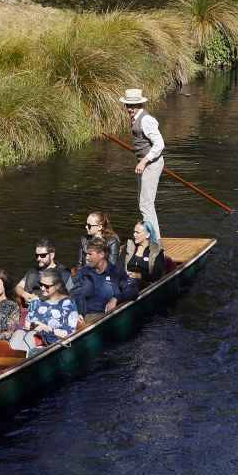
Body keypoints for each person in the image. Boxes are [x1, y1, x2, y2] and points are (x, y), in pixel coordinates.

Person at [123, 88, 166, 249]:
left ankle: (154, 241)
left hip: (151, 164)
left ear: (140, 104)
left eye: (132, 105)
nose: (129, 108)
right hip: (145, 163)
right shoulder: (136, 118)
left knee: (146, 205)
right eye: (127, 105)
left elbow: (160, 144)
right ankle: (154, 238)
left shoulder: (146, 120)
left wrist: (144, 161)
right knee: (145, 204)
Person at [12, 268, 80, 353]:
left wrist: (46, 328)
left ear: (57, 286)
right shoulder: (36, 301)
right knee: (18, 334)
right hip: (30, 338)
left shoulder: (67, 304)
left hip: (51, 345)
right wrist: (29, 325)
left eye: (46, 286)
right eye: (41, 284)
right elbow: (28, 323)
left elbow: (70, 333)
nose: (42, 288)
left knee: (28, 340)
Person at [69, 241, 131, 316]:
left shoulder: (116, 272)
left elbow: (132, 290)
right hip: (84, 316)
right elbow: (74, 294)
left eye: (90, 254)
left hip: (107, 316)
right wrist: (78, 314)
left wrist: (116, 298)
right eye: (86, 254)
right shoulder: (83, 272)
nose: (87, 258)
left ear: (102, 254)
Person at [16, 240, 63, 306]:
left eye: (42, 255)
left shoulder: (63, 273)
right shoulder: (33, 271)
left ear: (52, 255)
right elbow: (18, 287)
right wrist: (24, 294)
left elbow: (69, 296)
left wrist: (37, 298)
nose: (38, 258)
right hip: (28, 307)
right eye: (37, 255)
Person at [124, 218, 162, 287]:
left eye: (137, 232)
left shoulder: (156, 251)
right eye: (134, 232)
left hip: (144, 284)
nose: (134, 235)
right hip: (125, 280)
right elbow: (119, 266)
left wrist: (140, 276)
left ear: (147, 235)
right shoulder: (129, 246)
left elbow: (157, 276)